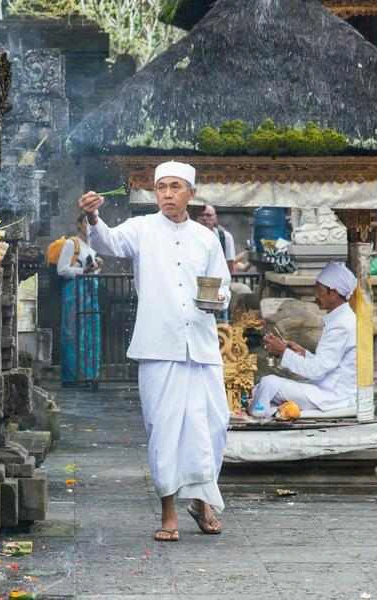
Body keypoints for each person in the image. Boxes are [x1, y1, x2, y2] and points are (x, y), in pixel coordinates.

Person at [79, 161, 231, 542]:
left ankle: (201, 499)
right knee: (163, 427)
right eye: (161, 187)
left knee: (212, 423)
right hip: (158, 344)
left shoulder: (205, 238)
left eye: (175, 187)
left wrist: (219, 298)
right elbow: (108, 242)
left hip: (200, 341)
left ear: (190, 194)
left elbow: (221, 284)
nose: (166, 194)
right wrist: (93, 216)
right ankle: (168, 513)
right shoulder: (142, 229)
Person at [253, 262, 356, 416]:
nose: (316, 296)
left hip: (333, 395)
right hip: (326, 387)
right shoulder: (341, 318)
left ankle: (258, 417)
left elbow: (316, 371)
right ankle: (268, 412)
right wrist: (303, 353)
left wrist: (283, 352)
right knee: (260, 388)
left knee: (269, 383)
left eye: (319, 291)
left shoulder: (342, 325)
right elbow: (327, 363)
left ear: (333, 293)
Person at [57, 215, 102, 387]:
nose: (89, 226)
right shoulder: (71, 244)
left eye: (92, 222)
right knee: (72, 333)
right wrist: (83, 271)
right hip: (74, 292)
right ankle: (72, 377)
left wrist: (94, 269)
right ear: (79, 225)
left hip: (90, 292)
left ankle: (90, 374)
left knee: (90, 333)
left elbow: (90, 271)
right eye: (86, 222)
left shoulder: (92, 247)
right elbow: (62, 270)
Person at [197, 204, 236, 274]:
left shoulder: (225, 237)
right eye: (201, 215)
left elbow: (230, 264)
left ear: (215, 218)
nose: (204, 218)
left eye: (208, 215)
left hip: (217, 280)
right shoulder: (190, 236)